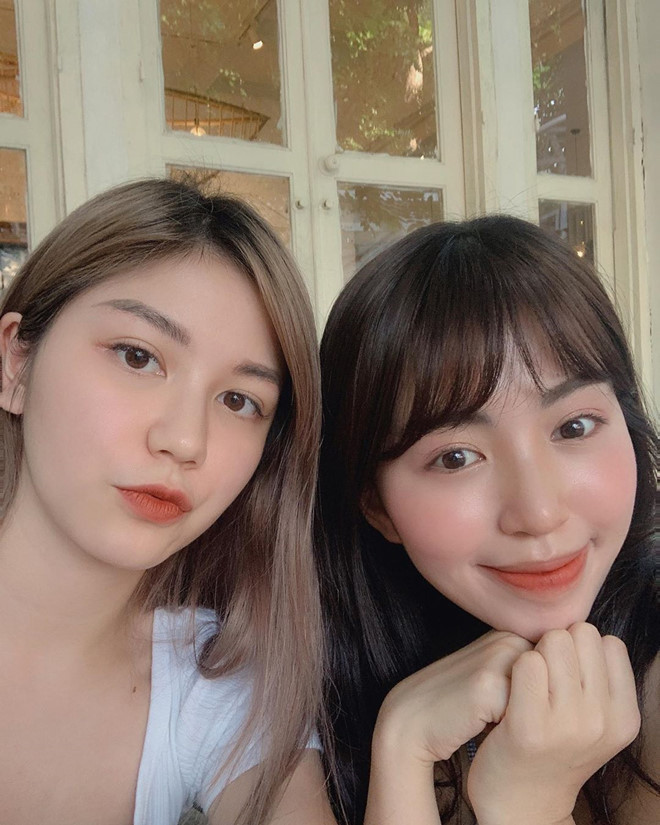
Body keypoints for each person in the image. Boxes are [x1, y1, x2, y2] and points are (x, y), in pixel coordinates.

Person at [0, 179, 336, 825]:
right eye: (137, 356)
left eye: (239, 400)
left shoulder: (217, 687)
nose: (185, 441)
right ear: (16, 362)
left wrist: (406, 747)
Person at [315, 215, 658, 825]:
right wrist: (402, 744)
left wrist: (526, 806)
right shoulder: (315, 688)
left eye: (574, 427)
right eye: (455, 457)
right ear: (376, 505)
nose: (539, 513)